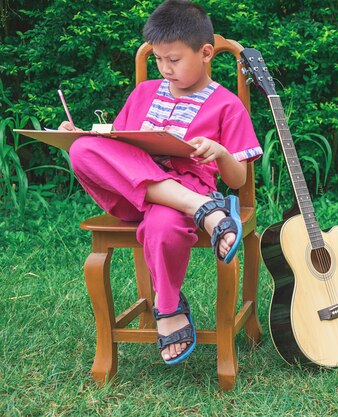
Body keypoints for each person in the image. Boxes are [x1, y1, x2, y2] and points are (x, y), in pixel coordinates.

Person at [59, 0, 262, 365]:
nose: (165, 69)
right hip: (130, 193)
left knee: (163, 226)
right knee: (83, 149)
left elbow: (238, 179)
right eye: (158, 60)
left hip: (184, 191)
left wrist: (220, 152)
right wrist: (80, 134)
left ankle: (168, 309)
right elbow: (117, 145)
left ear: (205, 53)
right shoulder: (143, 93)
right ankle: (204, 211)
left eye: (174, 60)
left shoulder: (227, 105)